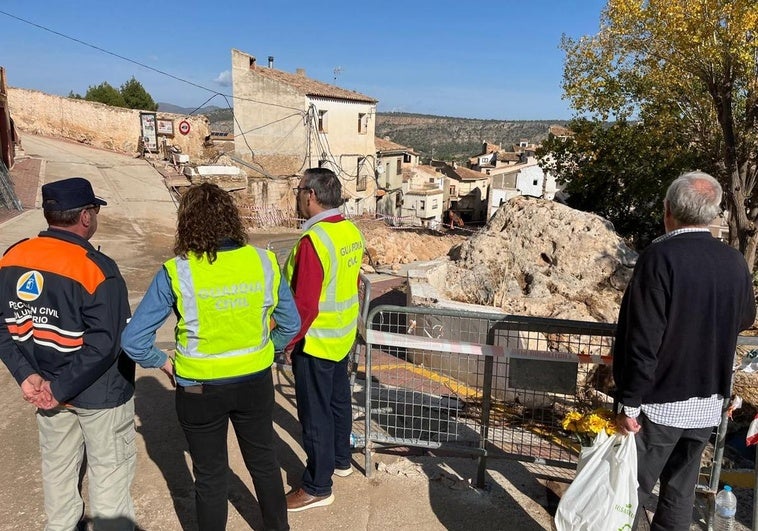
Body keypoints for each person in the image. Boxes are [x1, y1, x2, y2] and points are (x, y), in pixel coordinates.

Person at [120, 182, 299, 531]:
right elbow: (290, 323)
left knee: (210, 475)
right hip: (254, 382)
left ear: (186, 223)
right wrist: (268, 348)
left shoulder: (177, 271)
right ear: (232, 220)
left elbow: (134, 339)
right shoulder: (263, 261)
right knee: (263, 461)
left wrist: (165, 364)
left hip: (199, 389)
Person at [613, 171, 756, 530]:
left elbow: (643, 338)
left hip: (658, 403)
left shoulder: (660, 257)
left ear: (668, 210)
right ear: (713, 213)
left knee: (628, 493)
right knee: (680, 493)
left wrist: (629, 401)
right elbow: (745, 317)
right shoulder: (734, 261)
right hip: (708, 403)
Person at [0, 177, 136, 530]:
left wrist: (27, 376)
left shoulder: (13, 257)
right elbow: (106, 344)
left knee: (59, 485)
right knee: (110, 487)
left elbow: (3, 325)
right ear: (86, 217)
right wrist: (57, 388)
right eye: (94, 209)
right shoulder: (95, 268)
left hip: (45, 392)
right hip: (99, 397)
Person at [283, 168, 365, 512]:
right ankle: (341, 460)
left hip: (315, 341)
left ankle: (317, 485)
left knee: (315, 413)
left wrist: (287, 342)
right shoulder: (350, 231)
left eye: (299, 189)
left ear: (312, 195)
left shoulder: (314, 241)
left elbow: (304, 303)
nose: (297, 195)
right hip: (342, 336)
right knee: (338, 401)